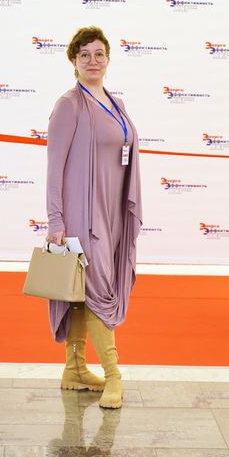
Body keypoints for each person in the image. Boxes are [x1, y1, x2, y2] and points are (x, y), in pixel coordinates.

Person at [45, 26, 143, 409]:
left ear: (108, 59)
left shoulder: (116, 103)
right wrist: (56, 221)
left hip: (111, 210)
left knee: (81, 293)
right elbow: (55, 167)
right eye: (84, 55)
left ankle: (74, 369)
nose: (93, 61)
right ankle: (114, 376)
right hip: (82, 215)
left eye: (99, 54)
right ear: (73, 61)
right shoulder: (69, 105)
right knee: (99, 290)